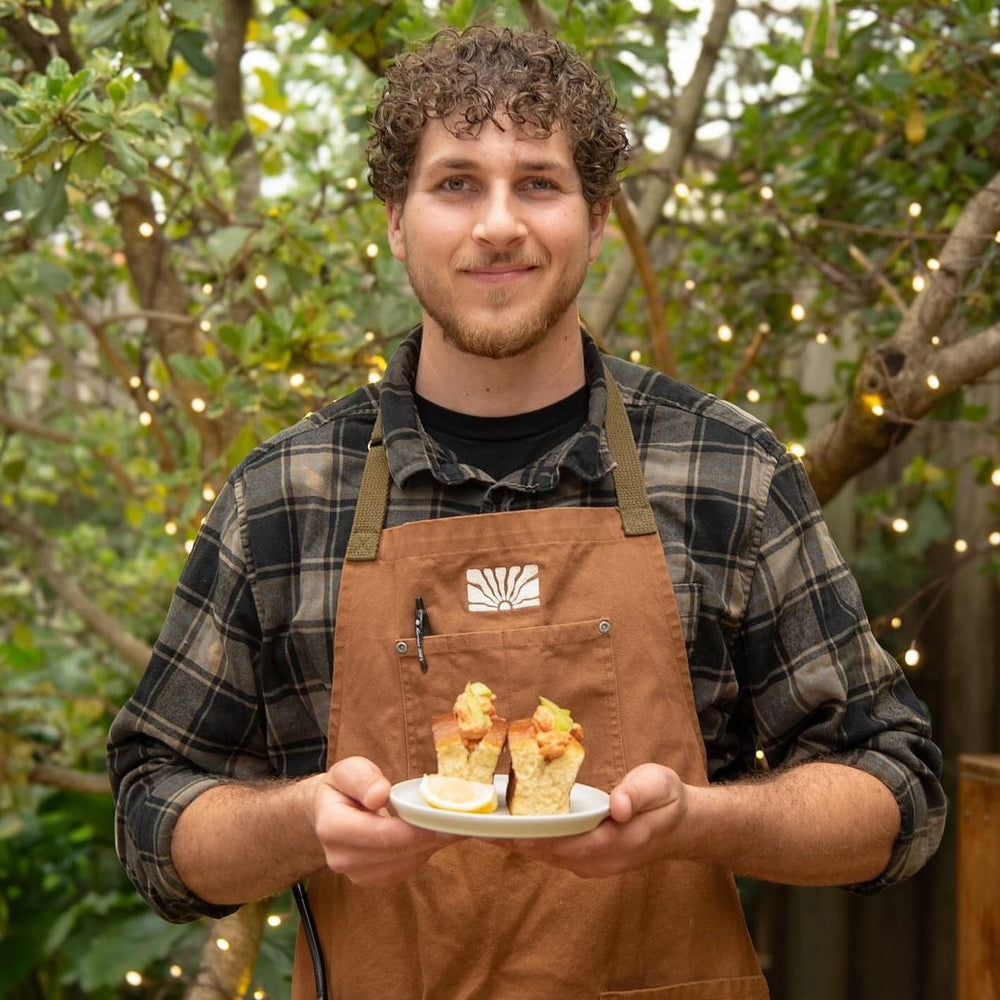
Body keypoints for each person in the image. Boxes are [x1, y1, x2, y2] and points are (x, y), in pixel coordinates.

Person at [108, 25, 946, 1000]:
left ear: (594, 222)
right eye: (456, 182)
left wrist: (695, 821)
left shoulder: (726, 470)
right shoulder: (284, 497)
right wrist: (303, 822)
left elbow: (898, 795)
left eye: (538, 183)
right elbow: (149, 818)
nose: (497, 222)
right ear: (395, 218)